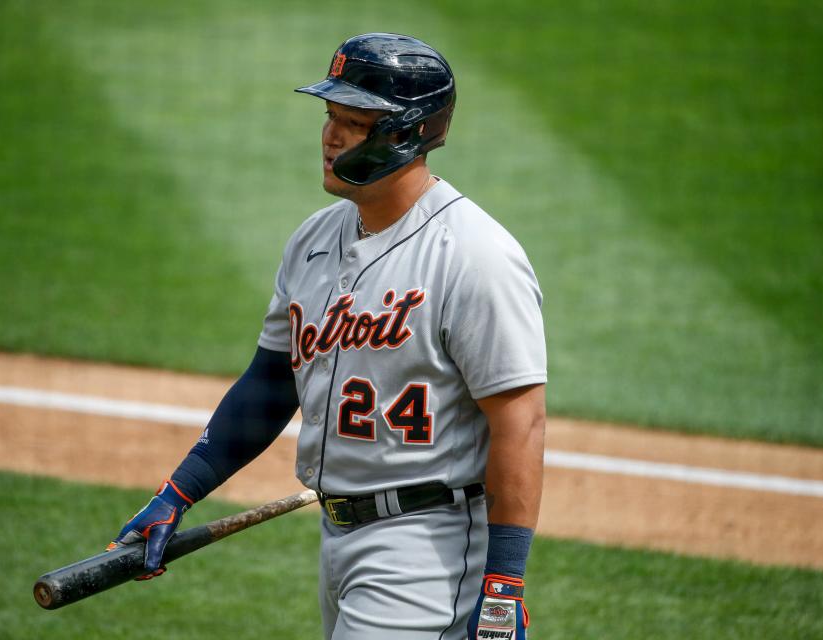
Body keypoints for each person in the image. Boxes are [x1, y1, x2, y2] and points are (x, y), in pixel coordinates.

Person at [109, 33, 547, 640]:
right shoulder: (313, 241)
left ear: (404, 132)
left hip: (429, 550)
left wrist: (504, 586)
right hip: (339, 539)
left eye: (353, 122)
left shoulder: (475, 256)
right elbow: (269, 384)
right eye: (329, 117)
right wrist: (177, 493)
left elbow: (519, 421)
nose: (330, 136)